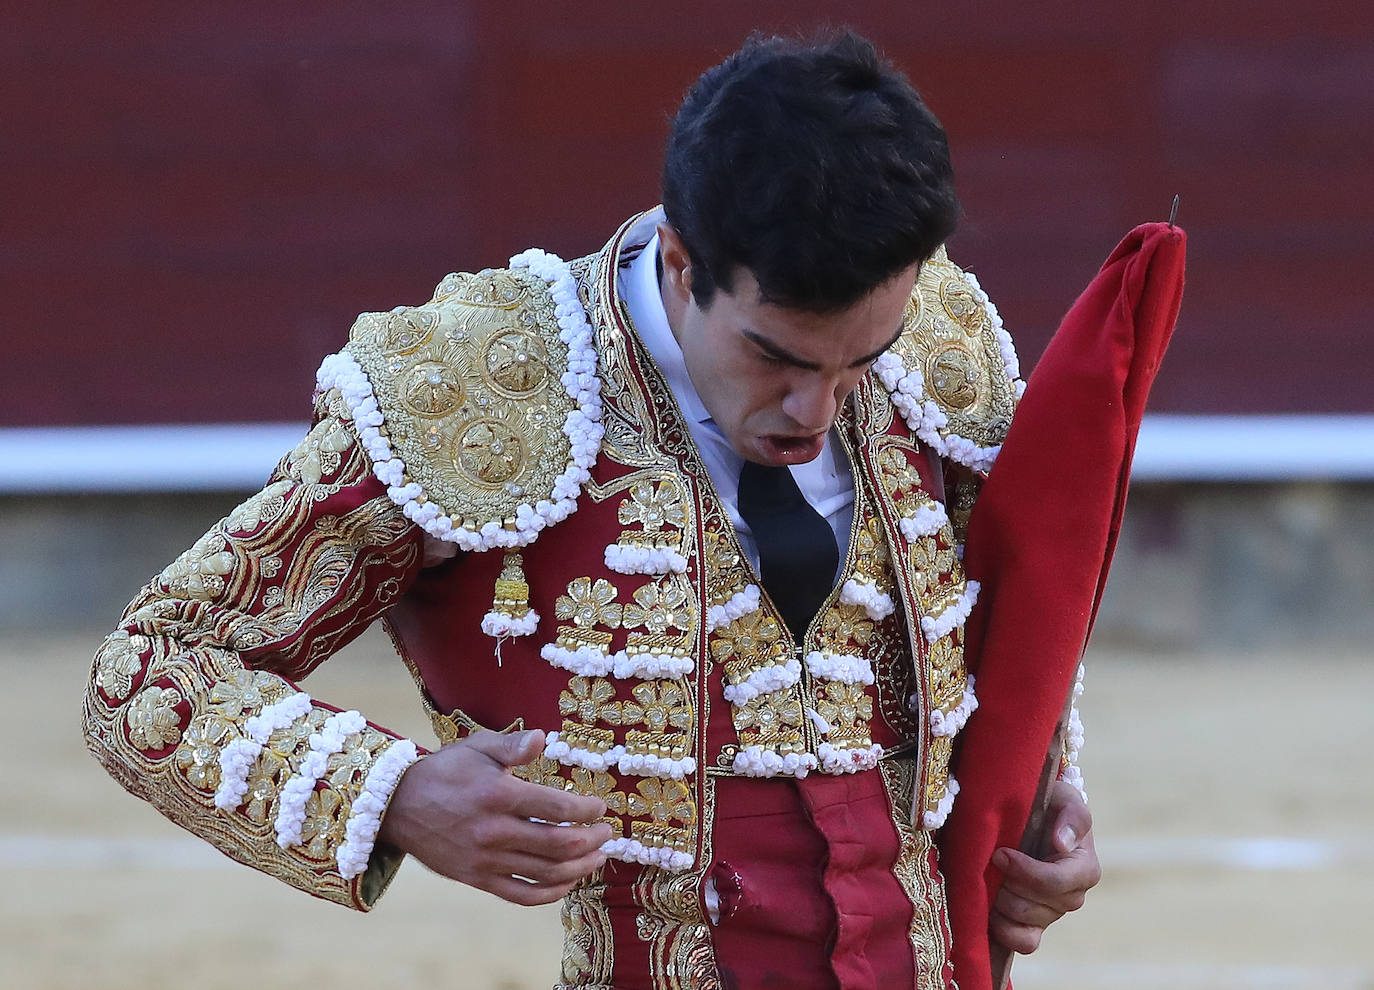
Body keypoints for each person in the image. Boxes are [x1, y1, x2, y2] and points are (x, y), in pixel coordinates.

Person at [82, 31, 1099, 989]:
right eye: (777, 359)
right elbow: (151, 666)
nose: (817, 409)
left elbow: (1008, 620)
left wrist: (1043, 805)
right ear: (682, 262)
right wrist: (394, 792)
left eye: (858, 362)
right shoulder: (482, 388)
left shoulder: (935, 350)